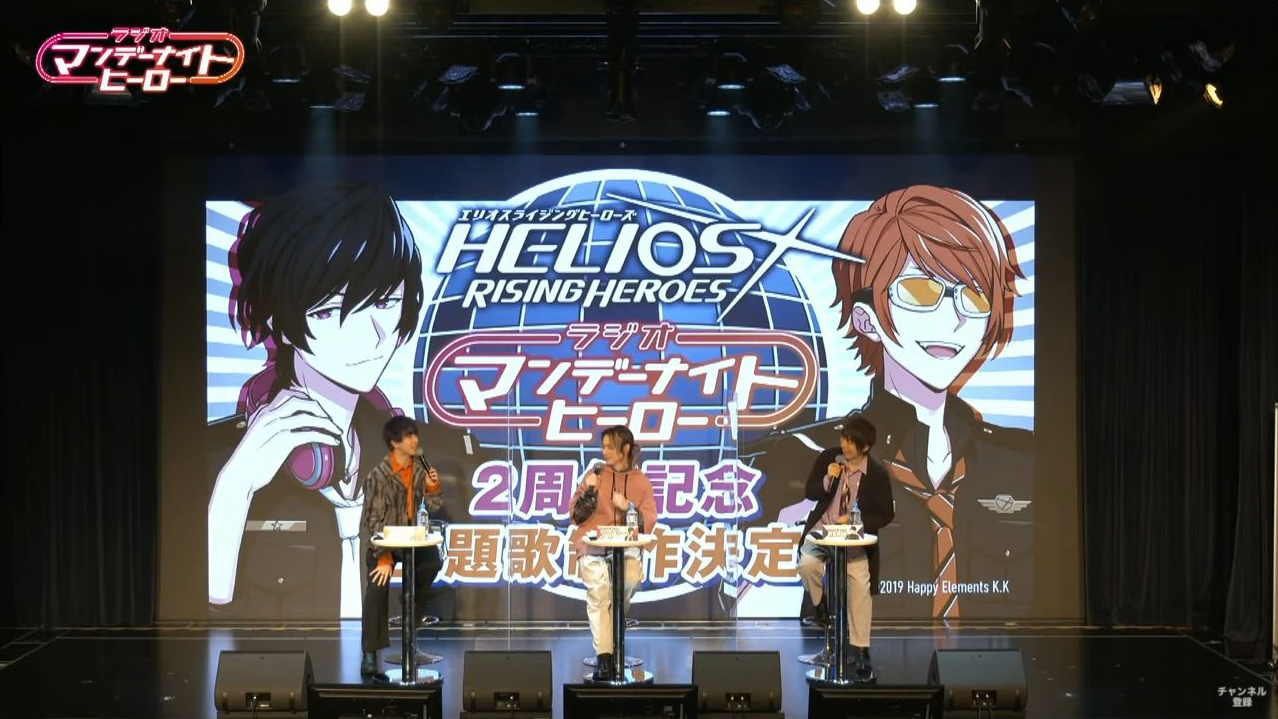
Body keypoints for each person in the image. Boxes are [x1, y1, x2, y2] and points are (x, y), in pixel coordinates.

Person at [748, 184, 1033, 620]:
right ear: (866, 318)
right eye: (921, 291)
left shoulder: (1019, 457)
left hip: (987, 651)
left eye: (973, 297)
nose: (953, 318)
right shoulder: (797, 454)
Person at [206, 182, 424, 619]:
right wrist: (233, 492)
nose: (369, 335)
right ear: (278, 321)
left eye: (384, 302)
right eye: (328, 310)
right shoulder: (220, 457)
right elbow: (209, 628)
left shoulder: (412, 451)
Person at [797, 416, 894, 683]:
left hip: (853, 541)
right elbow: (810, 492)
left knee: (860, 587)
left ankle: (861, 651)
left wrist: (858, 523)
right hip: (822, 534)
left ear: (865, 447)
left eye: (851, 442)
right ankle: (821, 609)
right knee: (806, 565)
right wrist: (828, 478)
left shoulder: (877, 474)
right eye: (844, 439)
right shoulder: (829, 458)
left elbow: (886, 513)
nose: (845, 445)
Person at [568, 425, 657, 681]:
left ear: (625, 449)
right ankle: (605, 658)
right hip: (593, 547)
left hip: (626, 549)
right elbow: (575, 516)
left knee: (628, 582)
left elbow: (648, 523)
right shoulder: (595, 474)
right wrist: (590, 491)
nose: (604, 451)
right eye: (603, 446)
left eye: (610, 446)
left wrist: (628, 507)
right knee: (599, 592)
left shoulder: (641, 482)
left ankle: (614, 628)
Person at [358, 416, 444, 677]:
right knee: (377, 586)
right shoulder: (378, 476)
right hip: (385, 540)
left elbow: (433, 507)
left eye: (415, 434)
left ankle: (411, 607)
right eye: (408, 436)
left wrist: (433, 488)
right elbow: (372, 521)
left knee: (432, 561)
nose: (414, 440)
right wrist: (384, 557)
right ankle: (370, 653)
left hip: (411, 537)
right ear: (395, 443)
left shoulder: (419, 470)